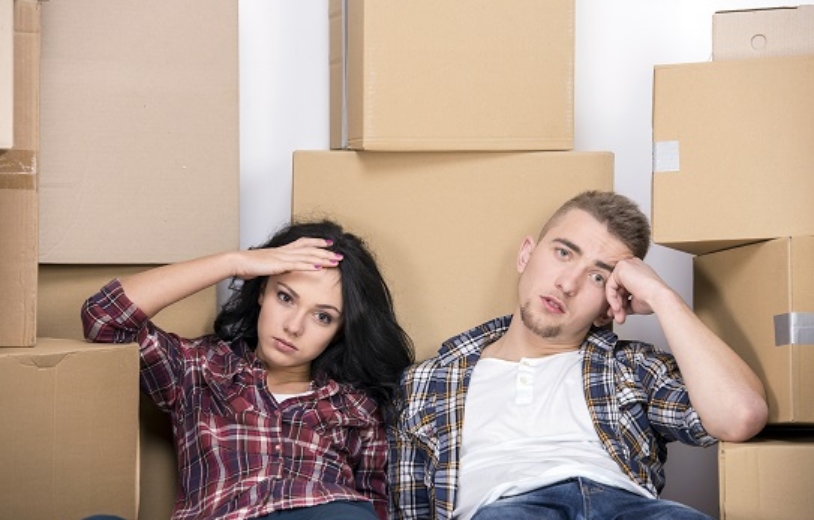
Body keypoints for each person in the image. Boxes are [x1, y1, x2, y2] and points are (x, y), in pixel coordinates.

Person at [388, 190, 768, 520]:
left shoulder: (631, 368)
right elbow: (409, 508)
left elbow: (740, 416)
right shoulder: (429, 381)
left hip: (629, 507)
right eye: (563, 253)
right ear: (526, 255)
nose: (568, 284)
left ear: (610, 307)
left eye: (598, 276)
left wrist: (661, 296)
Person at [81, 219, 414, 520]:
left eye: (322, 316)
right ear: (262, 292)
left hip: (323, 511)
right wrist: (234, 262)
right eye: (285, 297)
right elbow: (105, 317)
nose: (293, 326)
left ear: (339, 331)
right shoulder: (199, 368)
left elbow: (377, 504)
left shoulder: (356, 405)